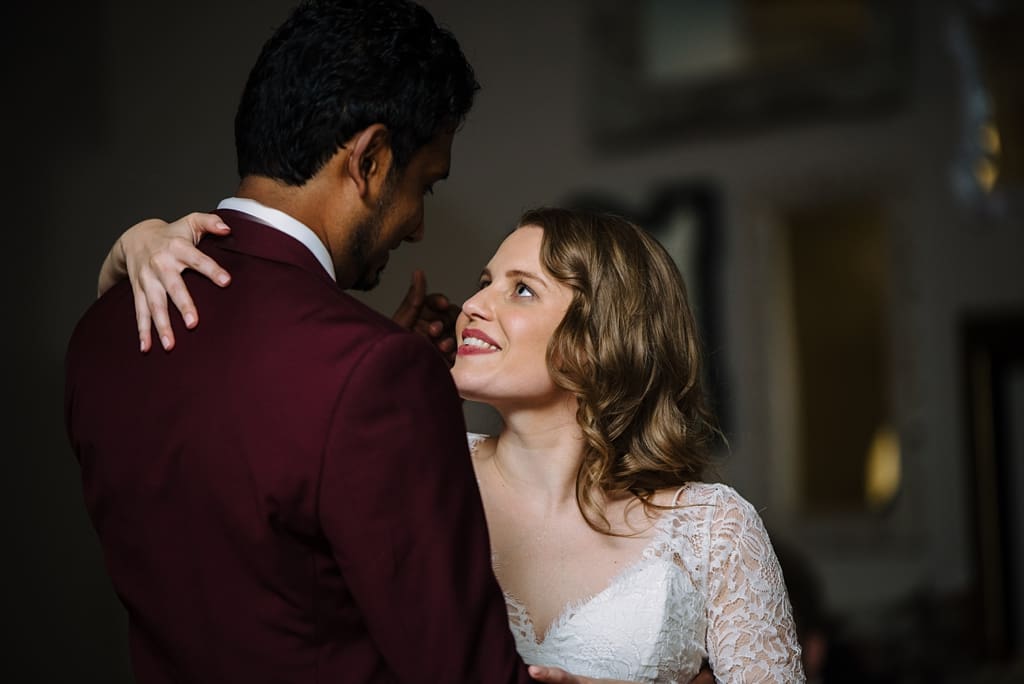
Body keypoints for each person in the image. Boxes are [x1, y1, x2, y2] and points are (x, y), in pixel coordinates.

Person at [101, 207, 805, 682]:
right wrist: (128, 250)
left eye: (521, 291)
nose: (475, 304)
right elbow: (230, 441)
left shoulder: (713, 528)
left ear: (602, 339)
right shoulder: (414, 466)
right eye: (484, 282)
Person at [64, 1, 535, 682]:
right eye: (424, 186)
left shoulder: (100, 335)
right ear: (371, 159)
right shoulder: (375, 375)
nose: (418, 227)